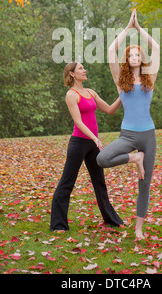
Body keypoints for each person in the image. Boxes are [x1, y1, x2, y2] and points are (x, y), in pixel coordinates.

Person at [97, 9, 160, 239]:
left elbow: (157, 49)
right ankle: (135, 158)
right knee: (102, 158)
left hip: (148, 135)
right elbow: (111, 50)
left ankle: (139, 229)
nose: (134, 57)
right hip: (127, 136)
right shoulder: (119, 80)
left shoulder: (149, 76)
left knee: (145, 183)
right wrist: (127, 27)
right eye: (131, 54)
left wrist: (140, 28)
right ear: (127, 59)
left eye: (137, 54)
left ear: (141, 58)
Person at [50, 61, 123, 231]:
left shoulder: (91, 92)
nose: (85, 70)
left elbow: (111, 109)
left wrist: (123, 94)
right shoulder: (71, 94)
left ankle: (112, 219)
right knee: (67, 182)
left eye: (83, 67)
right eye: (81, 68)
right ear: (72, 74)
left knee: (100, 182)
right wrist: (94, 138)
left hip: (92, 143)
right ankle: (58, 225)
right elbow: (78, 121)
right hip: (79, 143)